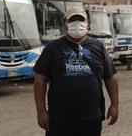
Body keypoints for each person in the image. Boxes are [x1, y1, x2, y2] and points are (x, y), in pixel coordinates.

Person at [34, 7, 119, 136]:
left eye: (81, 20)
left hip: (91, 118)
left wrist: (114, 105)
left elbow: (110, 78)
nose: (77, 24)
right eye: (72, 20)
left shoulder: (98, 46)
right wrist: (41, 112)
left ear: (87, 23)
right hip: (59, 119)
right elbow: (39, 80)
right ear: (65, 24)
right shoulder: (53, 48)